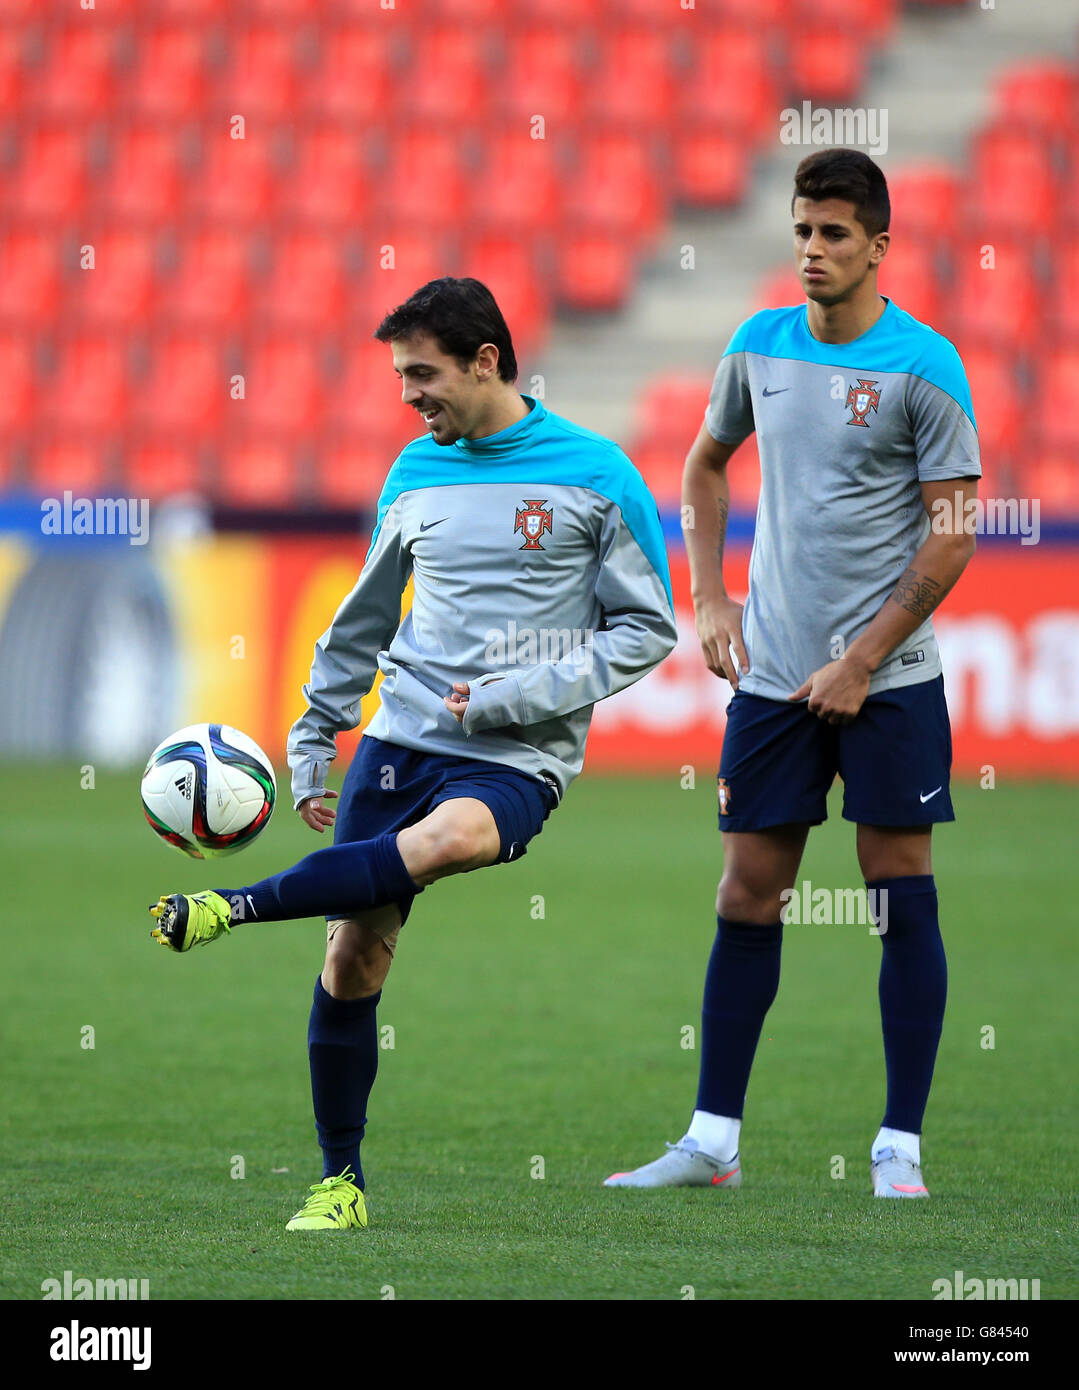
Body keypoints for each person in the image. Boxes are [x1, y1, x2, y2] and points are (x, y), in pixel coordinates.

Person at [147, 277, 677, 1230]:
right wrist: (316, 732)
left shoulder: (599, 474)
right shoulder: (414, 472)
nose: (407, 395)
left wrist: (519, 693)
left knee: (452, 839)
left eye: (421, 374)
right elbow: (363, 614)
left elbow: (645, 629)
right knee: (353, 960)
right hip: (399, 741)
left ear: (484, 362)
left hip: (514, 757)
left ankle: (229, 907)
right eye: (399, 376)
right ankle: (340, 1182)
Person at [605, 149, 980, 1199]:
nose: (811, 251)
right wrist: (709, 596)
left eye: (833, 235)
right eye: (802, 230)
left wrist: (861, 662)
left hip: (889, 678)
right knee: (746, 893)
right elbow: (702, 462)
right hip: (771, 677)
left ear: (877, 247)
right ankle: (710, 1140)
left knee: (897, 891)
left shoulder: (924, 366)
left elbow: (950, 538)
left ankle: (897, 1146)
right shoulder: (757, 344)